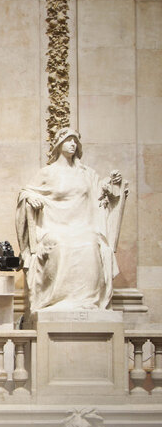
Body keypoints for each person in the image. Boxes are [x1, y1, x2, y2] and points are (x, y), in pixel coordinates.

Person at [16, 127, 128, 313]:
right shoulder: (47, 173)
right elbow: (25, 192)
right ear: (59, 145)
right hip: (54, 227)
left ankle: (87, 303)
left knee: (91, 245)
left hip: (82, 227)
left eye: (75, 141)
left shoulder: (87, 173)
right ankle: (56, 302)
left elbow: (103, 195)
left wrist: (113, 183)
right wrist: (30, 198)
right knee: (59, 245)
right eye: (68, 140)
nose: (73, 144)